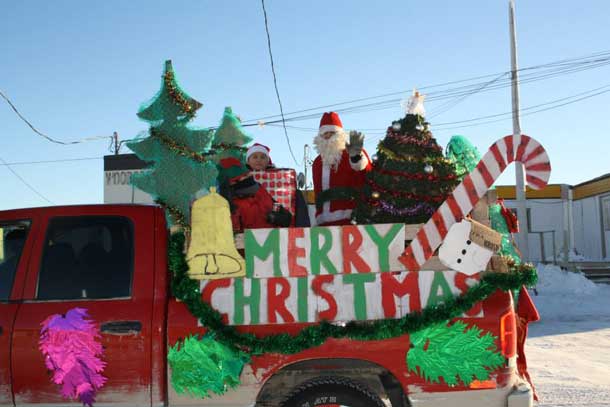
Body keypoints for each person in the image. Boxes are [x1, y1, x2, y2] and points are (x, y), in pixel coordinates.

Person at [312, 112, 372, 226]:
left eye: (332, 133)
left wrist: (356, 158)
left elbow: (366, 172)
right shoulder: (317, 163)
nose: (329, 137)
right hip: (323, 223)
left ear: (340, 134)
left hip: (351, 220)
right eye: (325, 134)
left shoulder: (351, 152)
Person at [217, 157, 292, 232]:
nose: (249, 177)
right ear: (232, 183)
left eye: (248, 174)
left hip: (274, 238)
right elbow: (231, 234)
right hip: (250, 242)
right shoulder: (229, 205)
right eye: (243, 177)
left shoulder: (260, 190)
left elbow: (279, 209)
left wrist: (283, 217)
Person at [246, 143, 311, 227]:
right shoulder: (242, 181)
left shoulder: (284, 183)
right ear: (248, 160)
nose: (259, 160)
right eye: (255, 157)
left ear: (268, 160)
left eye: (263, 157)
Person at [0, 228, 27, 300]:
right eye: (13, 245)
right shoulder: (4, 269)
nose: (16, 248)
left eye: (19, 245)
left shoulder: (42, 267)